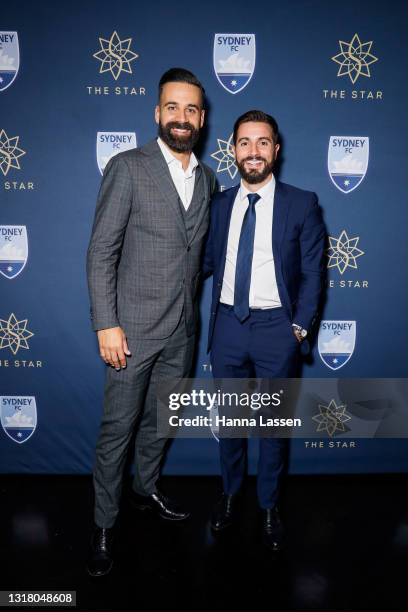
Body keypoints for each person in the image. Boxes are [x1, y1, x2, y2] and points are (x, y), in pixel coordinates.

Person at [86, 67, 216, 576]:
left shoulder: (207, 177)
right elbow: (101, 251)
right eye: (172, 107)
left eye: (190, 109)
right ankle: (102, 522)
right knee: (117, 429)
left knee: (161, 423)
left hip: (183, 330)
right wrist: (106, 323)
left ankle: (145, 490)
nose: (180, 118)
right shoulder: (128, 166)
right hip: (131, 331)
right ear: (157, 112)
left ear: (201, 119)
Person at [203, 110, 325, 551]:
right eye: (244, 142)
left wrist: (297, 327)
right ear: (233, 149)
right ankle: (231, 495)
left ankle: (269, 504)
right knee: (232, 423)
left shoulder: (302, 202)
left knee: (273, 427)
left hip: (277, 327)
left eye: (262, 142)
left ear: (276, 149)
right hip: (228, 327)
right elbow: (203, 264)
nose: (252, 151)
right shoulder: (218, 205)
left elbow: (313, 274)